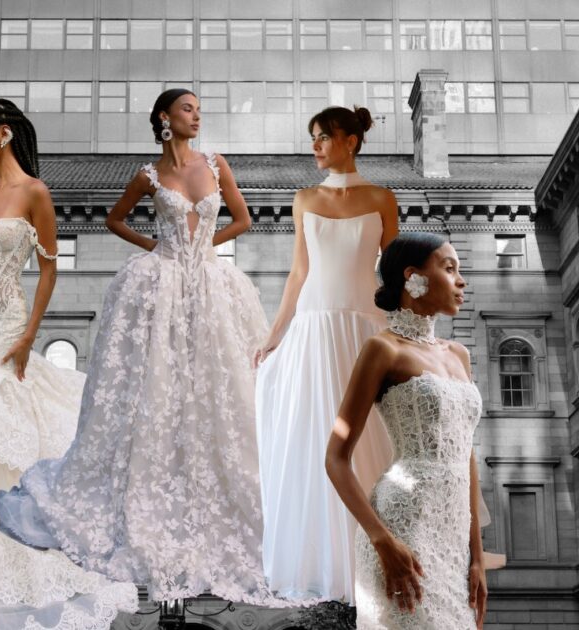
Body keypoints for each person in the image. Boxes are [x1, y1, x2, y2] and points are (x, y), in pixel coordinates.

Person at [0, 88, 290, 606]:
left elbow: (242, 220)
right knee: (156, 388)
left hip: (212, 289)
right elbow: (115, 219)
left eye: (200, 109)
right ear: (164, 118)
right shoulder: (149, 175)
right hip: (160, 286)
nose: (197, 115)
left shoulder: (216, 163)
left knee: (221, 395)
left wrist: (203, 248)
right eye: (187, 108)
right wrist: (160, 248)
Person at [0, 99, 138, 629]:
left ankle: (42, 571)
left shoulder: (35, 193)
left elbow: (47, 271)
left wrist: (28, 338)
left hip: (7, 329)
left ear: (3, 134)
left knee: (14, 435)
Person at [254, 105, 398, 602]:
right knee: (313, 437)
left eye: (323, 137)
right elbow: (299, 272)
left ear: (350, 141)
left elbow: (395, 273)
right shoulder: (303, 199)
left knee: (371, 442)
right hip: (314, 329)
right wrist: (275, 333)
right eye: (312, 138)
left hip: (364, 327)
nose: (314, 145)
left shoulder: (382, 198)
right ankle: (330, 565)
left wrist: (407, 331)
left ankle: (379, 554)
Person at [326, 232, 489, 629]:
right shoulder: (384, 350)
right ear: (413, 278)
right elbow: (336, 458)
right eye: (450, 269)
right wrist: (382, 541)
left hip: (451, 542)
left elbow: (464, 455)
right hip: (402, 528)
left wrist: (478, 558)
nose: (461, 280)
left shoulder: (459, 355)